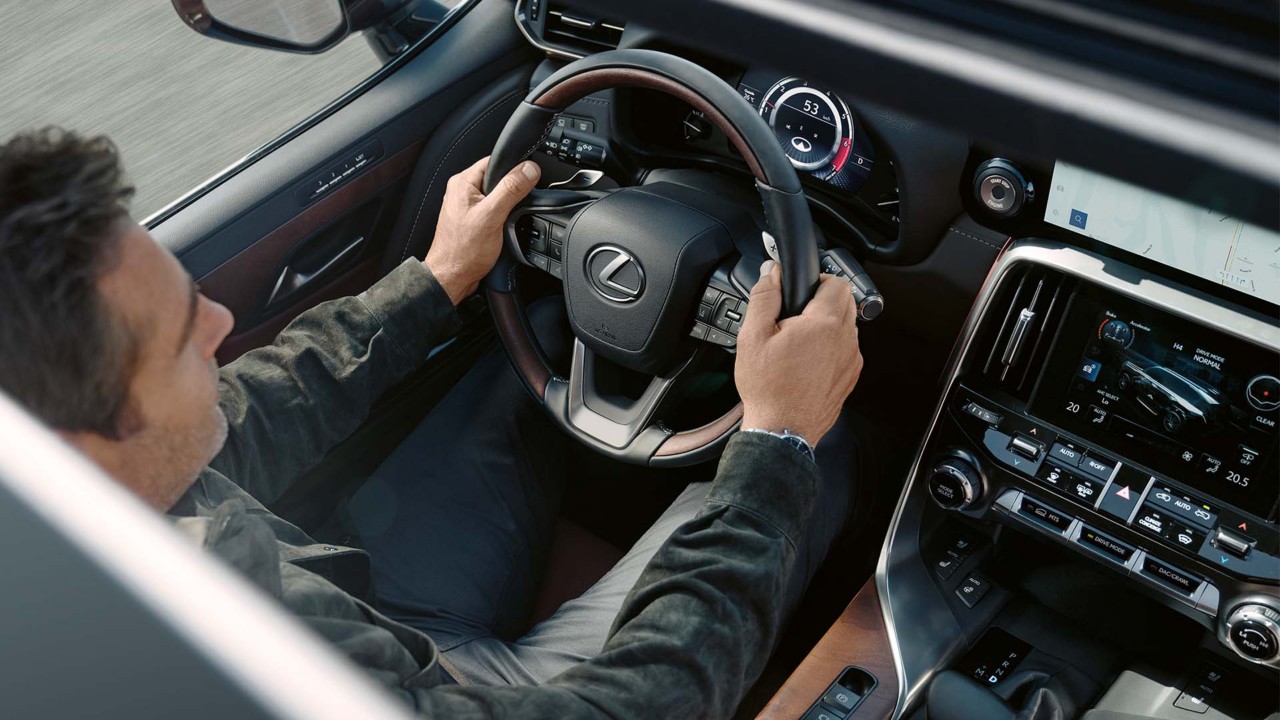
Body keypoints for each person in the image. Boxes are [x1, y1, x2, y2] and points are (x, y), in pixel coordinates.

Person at [0, 128, 866, 719]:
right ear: (75, 446)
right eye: (181, 337)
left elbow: (245, 414)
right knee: (821, 449)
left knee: (528, 354)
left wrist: (439, 277)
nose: (222, 325)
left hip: (369, 620)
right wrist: (778, 439)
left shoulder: (72, 490)